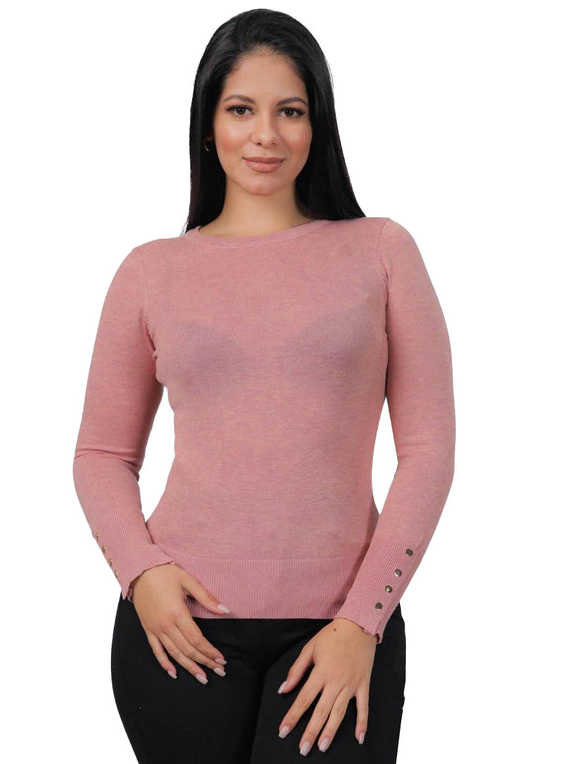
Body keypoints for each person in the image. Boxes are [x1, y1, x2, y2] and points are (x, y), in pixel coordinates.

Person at [72, 8, 455, 763]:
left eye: (291, 111)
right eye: (241, 109)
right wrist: (142, 574)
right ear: (208, 122)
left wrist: (363, 620)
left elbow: (428, 450)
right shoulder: (150, 271)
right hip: (180, 628)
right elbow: (102, 455)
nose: (266, 136)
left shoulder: (381, 251)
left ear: (319, 124)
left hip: (341, 630)